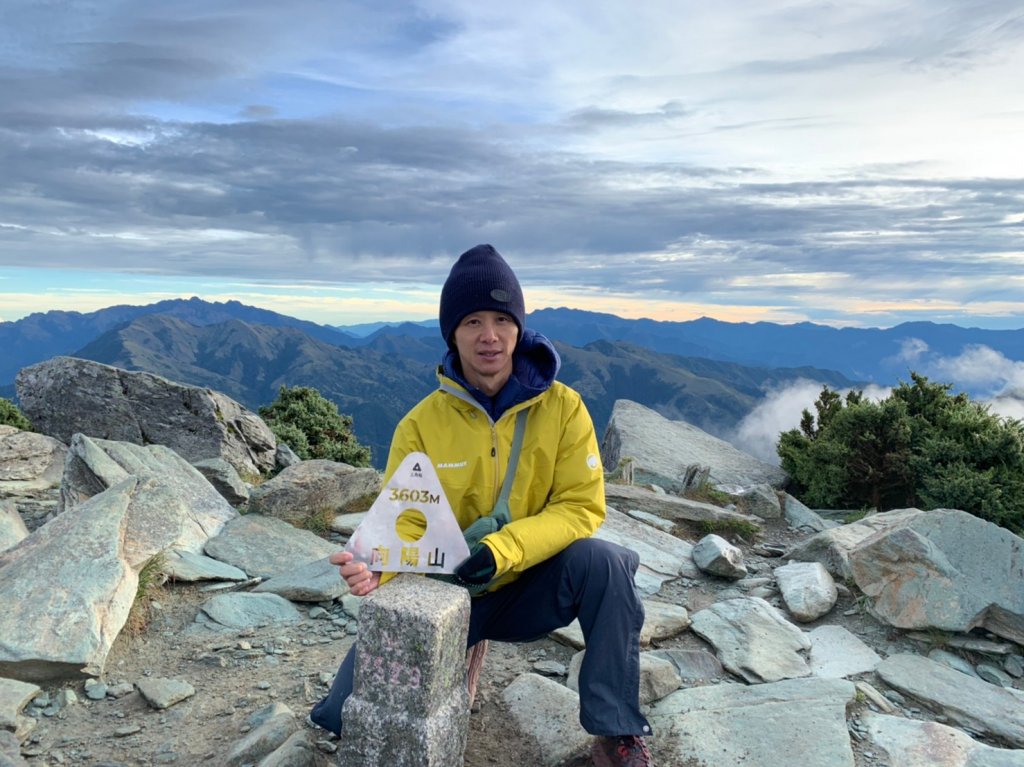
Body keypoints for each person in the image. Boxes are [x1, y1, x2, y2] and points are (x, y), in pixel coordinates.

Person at [310, 244, 654, 767]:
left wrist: (505, 548)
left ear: (519, 327)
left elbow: (581, 507)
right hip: (448, 596)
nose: (489, 336)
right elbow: (403, 522)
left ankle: (617, 732)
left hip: (532, 583)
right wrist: (377, 568)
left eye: (501, 319)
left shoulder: (563, 409)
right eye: (472, 321)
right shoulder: (421, 424)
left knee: (606, 564)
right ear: (453, 332)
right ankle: (453, 660)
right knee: (341, 716)